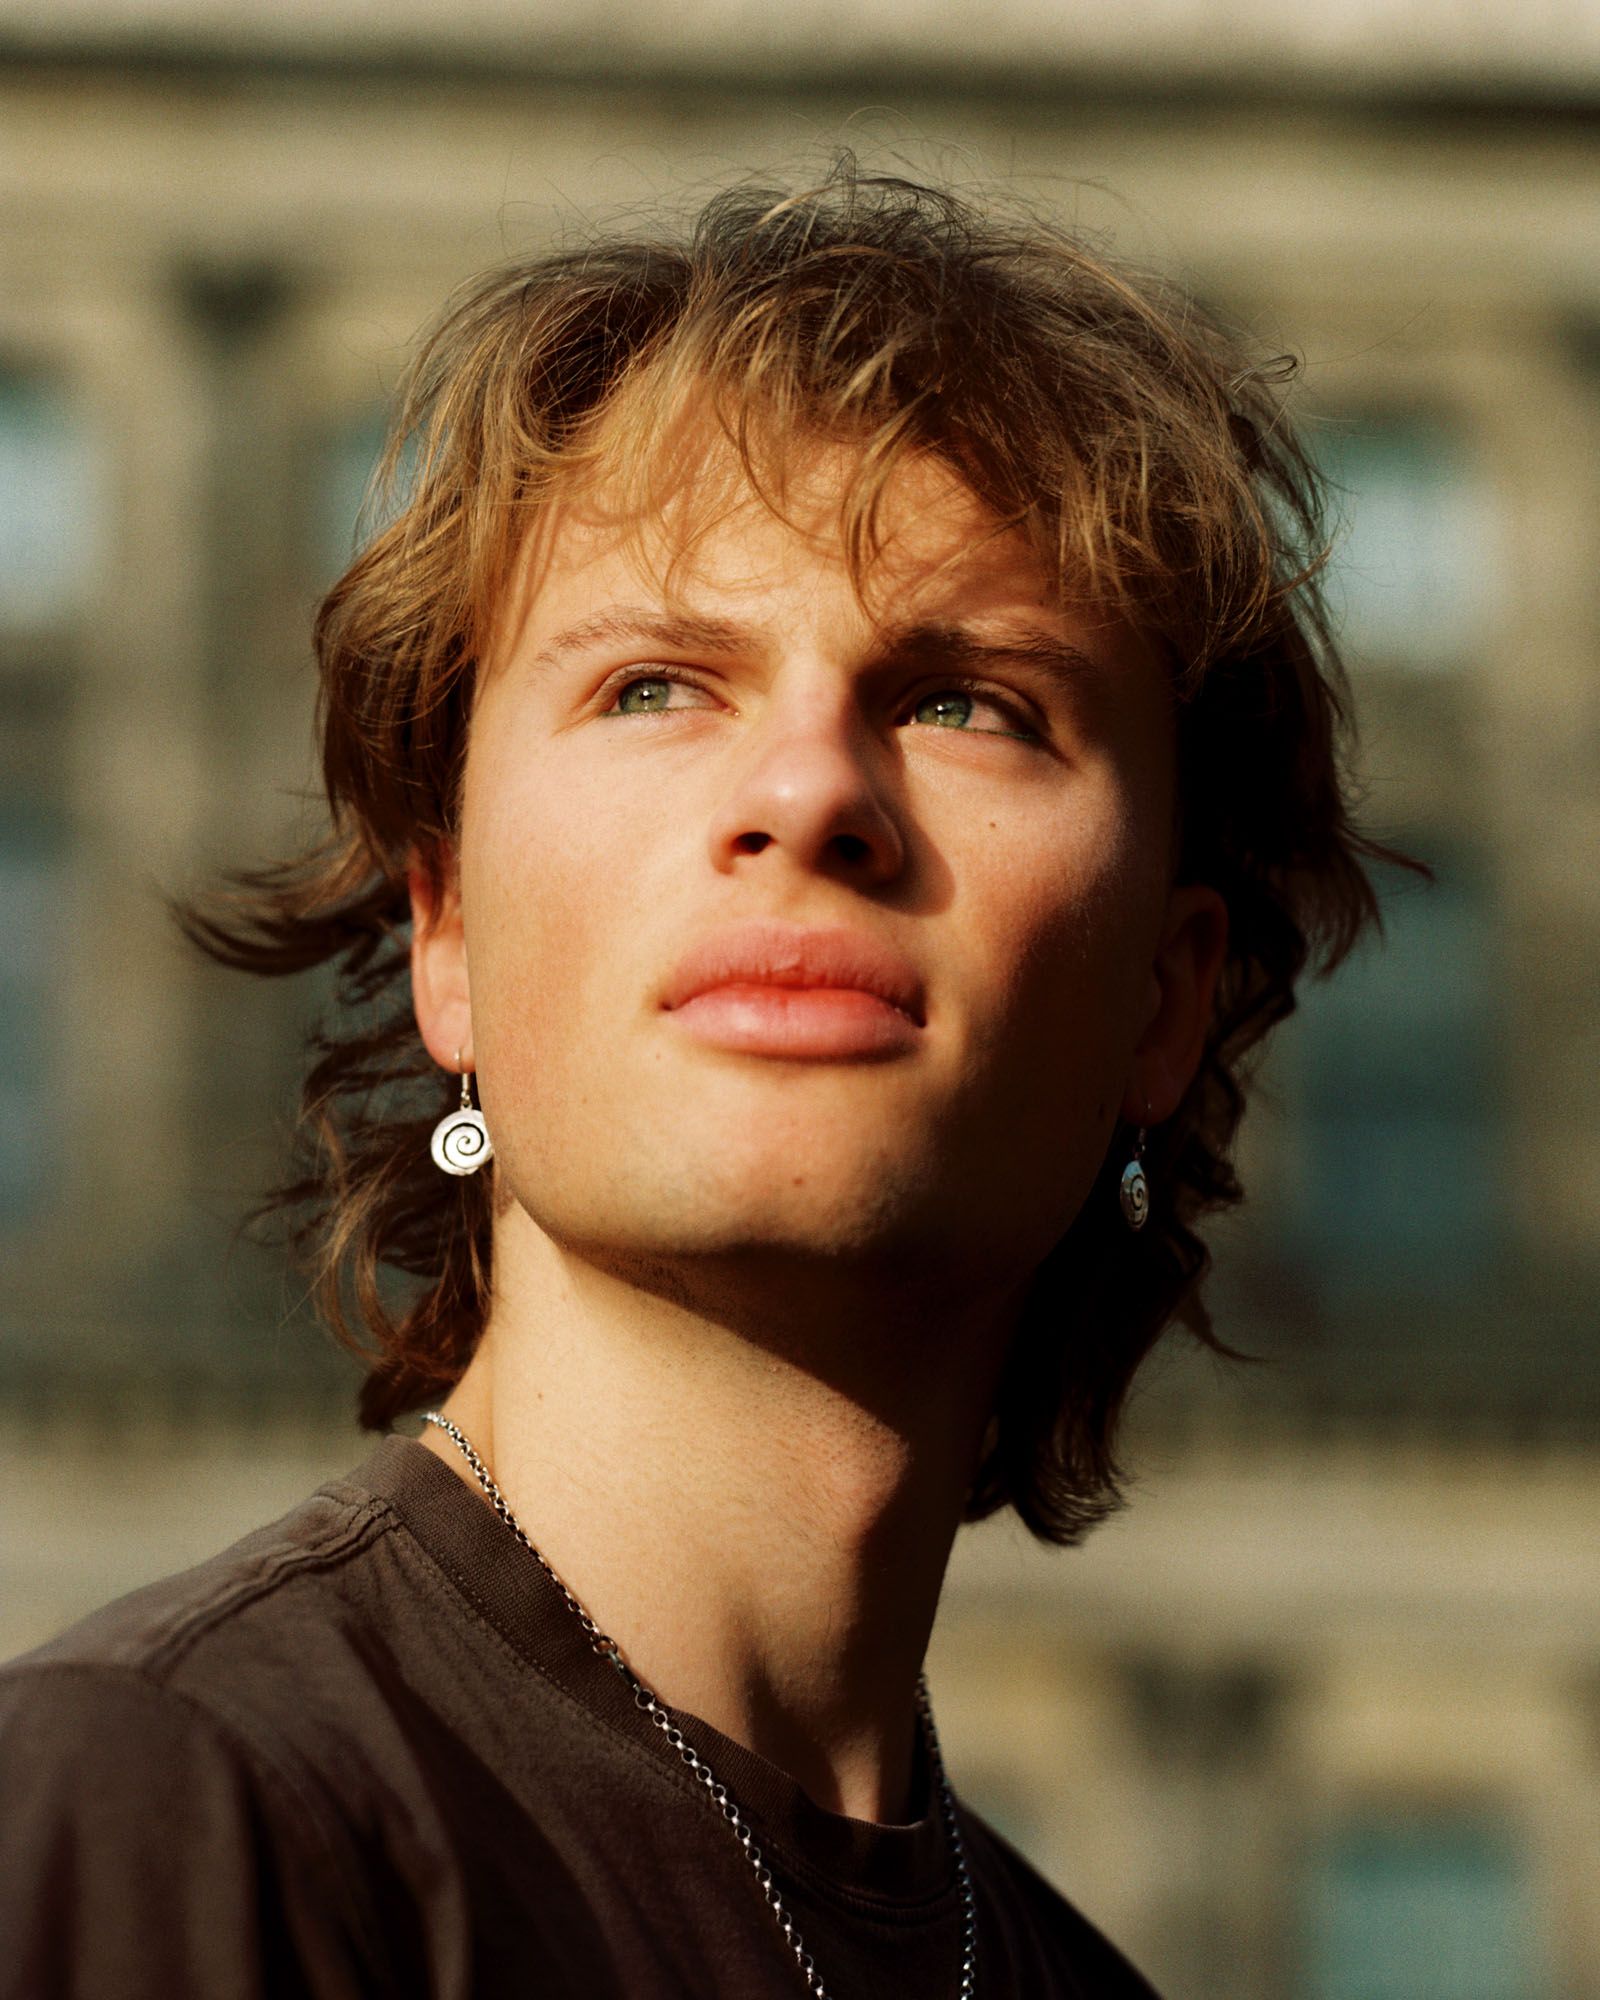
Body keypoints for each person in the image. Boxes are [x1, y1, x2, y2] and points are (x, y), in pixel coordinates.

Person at [0, 161, 1407, 1997]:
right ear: (449, 941)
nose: (808, 791)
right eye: (657, 685)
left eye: (967, 701)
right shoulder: (166, 1800)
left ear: (1167, 995)